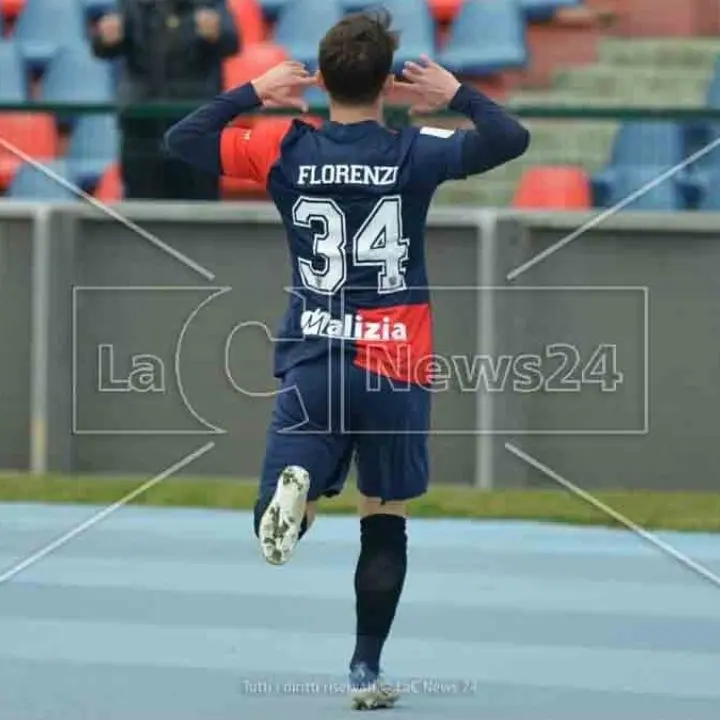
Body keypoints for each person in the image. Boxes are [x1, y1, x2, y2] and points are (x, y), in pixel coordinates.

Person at [164, 9, 529, 710]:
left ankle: (303, 486)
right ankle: (365, 670)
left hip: (314, 350)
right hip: (395, 361)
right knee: (384, 514)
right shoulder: (415, 150)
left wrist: (252, 92)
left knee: (272, 513)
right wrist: (458, 95)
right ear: (389, 84)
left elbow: (184, 139)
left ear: (321, 78)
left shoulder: (282, 147)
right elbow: (510, 138)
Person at [91, 0, 239, 200]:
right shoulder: (132, 4)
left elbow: (232, 42)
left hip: (194, 127)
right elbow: (103, 46)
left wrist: (217, 33)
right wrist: (105, 36)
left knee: (198, 209)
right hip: (141, 128)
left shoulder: (208, 3)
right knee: (142, 208)